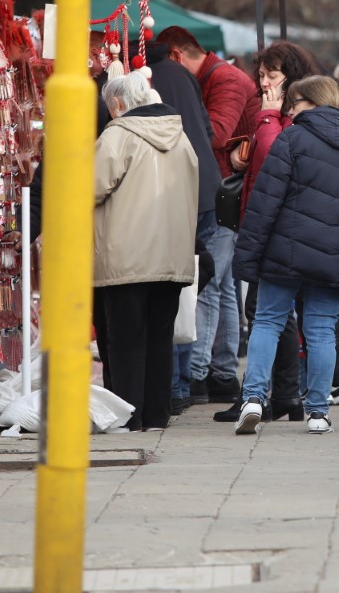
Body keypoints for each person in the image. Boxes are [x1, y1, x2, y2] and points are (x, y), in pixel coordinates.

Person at [231, 76, 339, 434]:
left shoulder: (292, 139)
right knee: (321, 330)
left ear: (312, 103)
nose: (290, 110)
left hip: (285, 252)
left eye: (295, 104)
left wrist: (249, 256)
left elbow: (264, 203)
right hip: (336, 256)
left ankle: (253, 397)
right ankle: (318, 411)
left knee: (268, 321)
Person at [213, 40, 326, 423]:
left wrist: (266, 119)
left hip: (279, 226)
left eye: (271, 76)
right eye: (261, 75)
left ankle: (269, 394)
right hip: (266, 220)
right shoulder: (276, 111)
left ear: (291, 79)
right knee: (273, 311)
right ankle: (286, 395)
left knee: (266, 310)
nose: (264, 84)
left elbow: (275, 153)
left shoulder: (291, 115)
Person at [157, 26, 259, 406]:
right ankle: (221, 372)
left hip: (222, 194)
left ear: (176, 57)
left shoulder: (227, 80)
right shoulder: (215, 77)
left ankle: (198, 374)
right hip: (224, 191)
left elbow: (214, 133)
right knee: (224, 286)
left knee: (209, 285)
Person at [93, 71, 199, 431]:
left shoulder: (118, 136)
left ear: (118, 104)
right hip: (172, 257)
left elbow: (89, 188)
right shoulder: (181, 136)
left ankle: (129, 417)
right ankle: (157, 413)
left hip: (127, 256)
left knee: (125, 342)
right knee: (159, 339)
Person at [130, 42, 223, 413]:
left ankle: (175, 385)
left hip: (168, 196)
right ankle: (188, 379)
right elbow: (209, 130)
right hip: (205, 189)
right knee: (196, 284)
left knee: (169, 284)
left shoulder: (141, 85)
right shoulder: (184, 75)